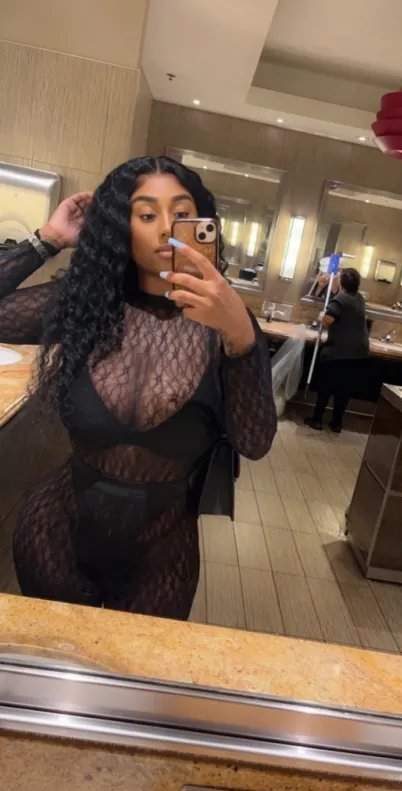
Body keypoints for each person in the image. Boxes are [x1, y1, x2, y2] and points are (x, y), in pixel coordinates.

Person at [0, 156, 277, 618]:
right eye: (147, 215)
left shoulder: (227, 323)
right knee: (53, 659)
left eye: (182, 214)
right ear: (119, 228)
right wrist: (47, 240)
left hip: (162, 553)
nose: (167, 227)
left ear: (204, 225)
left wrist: (241, 336)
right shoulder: (86, 304)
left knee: (134, 665)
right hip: (55, 531)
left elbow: (255, 442)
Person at [305, 267, 369, 433]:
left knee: (325, 386)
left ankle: (317, 420)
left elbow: (328, 319)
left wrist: (321, 315)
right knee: (344, 389)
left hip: (338, 351)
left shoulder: (341, 299)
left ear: (342, 283)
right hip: (358, 352)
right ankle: (336, 423)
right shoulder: (360, 299)